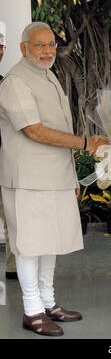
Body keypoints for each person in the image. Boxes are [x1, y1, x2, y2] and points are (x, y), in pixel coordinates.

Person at [0, 22, 108, 336]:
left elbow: (57, 129)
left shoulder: (49, 76)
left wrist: (72, 175)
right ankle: (32, 311)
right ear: (23, 48)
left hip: (56, 176)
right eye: (39, 45)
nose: (48, 51)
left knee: (50, 244)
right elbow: (33, 130)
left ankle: (48, 303)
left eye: (51, 45)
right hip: (28, 179)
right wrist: (86, 144)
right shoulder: (15, 81)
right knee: (30, 246)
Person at [0, 33, 18, 280]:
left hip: (3, 158)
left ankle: (14, 266)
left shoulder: (4, 83)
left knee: (10, 215)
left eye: (1, 46)